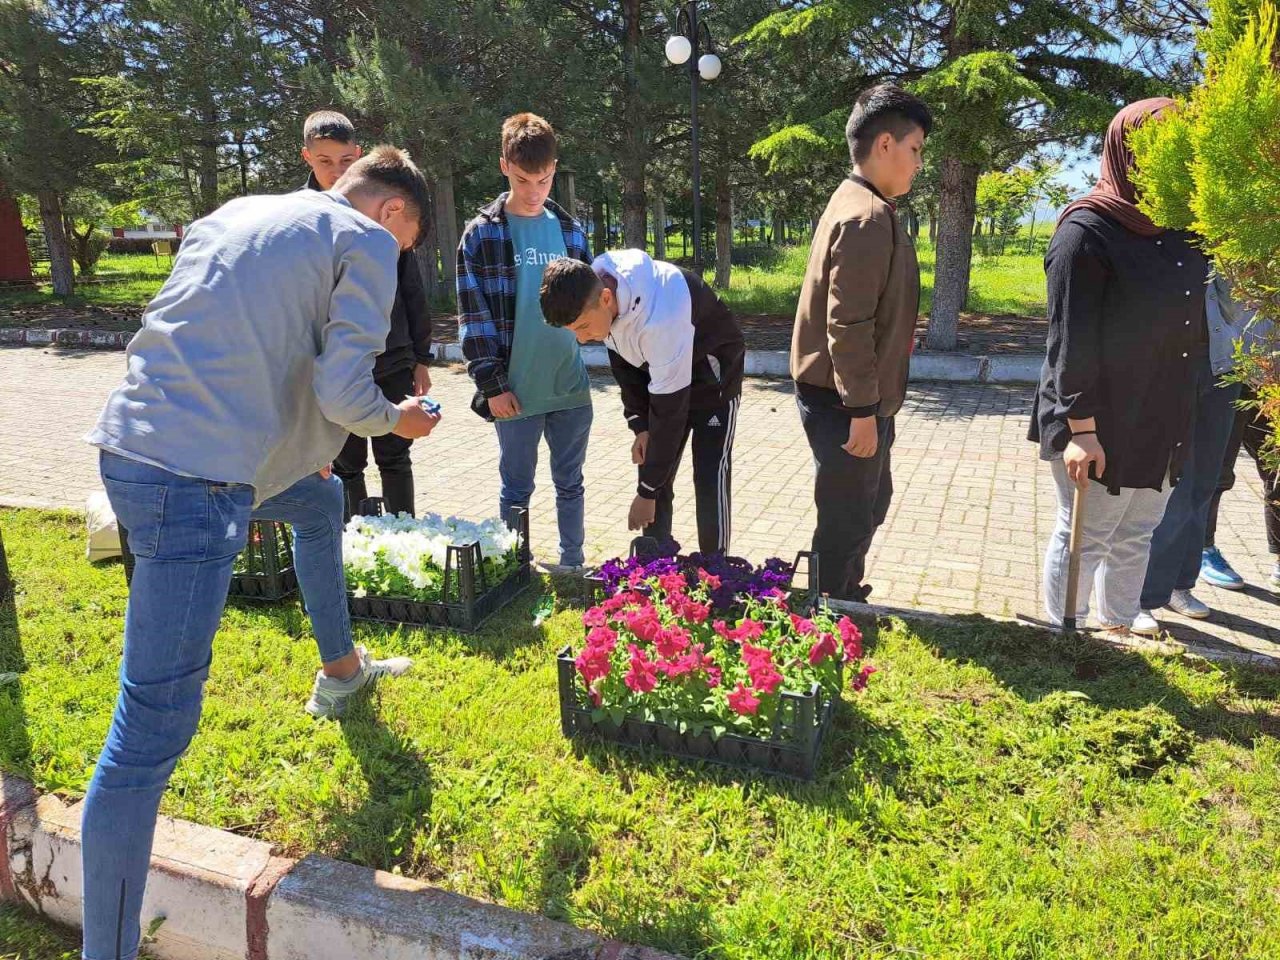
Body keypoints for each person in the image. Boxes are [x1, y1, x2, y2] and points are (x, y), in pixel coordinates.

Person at [80, 146, 440, 960]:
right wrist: (400, 420)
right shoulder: (368, 240)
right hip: (194, 485)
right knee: (145, 740)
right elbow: (345, 392)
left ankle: (341, 671)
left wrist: (296, 448)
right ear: (391, 212)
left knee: (316, 499)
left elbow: (227, 341)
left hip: (130, 454)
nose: (399, 257)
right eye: (408, 243)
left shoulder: (243, 211)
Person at [1030, 98, 1207, 635]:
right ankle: (1066, 637)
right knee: (1087, 534)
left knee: (1137, 532)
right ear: (1128, 151)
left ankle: (1119, 628)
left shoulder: (1181, 228)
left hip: (1161, 411)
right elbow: (1070, 341)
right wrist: (1082, 432)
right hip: (1097, 414)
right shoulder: (1086, 232)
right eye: (1160, 149)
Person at [791, 83, 931, 601]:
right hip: (845, 400)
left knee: (865, 504)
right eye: (915, 148)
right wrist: (863, 411)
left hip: (849, 395)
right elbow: (847, 324)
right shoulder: (866, 216)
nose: (919, 163)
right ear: (885, 144)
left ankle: (841, 595)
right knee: (848, 516)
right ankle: (827, 612)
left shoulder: (860, 202)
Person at [457, 112, 593, 573]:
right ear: (504, 166)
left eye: (544, 180)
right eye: (522, 180)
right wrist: (492, 386)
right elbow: (474, 318)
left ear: (554, 168)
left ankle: (572, 564)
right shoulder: (481, 234)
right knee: (516, 489)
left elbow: (593, 307)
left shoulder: (571, 231)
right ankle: (514, 568)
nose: (535, 192)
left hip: (570, 388)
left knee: (571, 484)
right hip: (513, 391)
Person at [539, 249, 745, 553]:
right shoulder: (598, 290)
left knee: (709, 475)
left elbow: (670, 414)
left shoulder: (661, 316)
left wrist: (646, 492)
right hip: (663, 378)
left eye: (582, 327)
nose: (582, 339)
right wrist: (641, 426)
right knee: (652, 458)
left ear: (606, 298)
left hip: (712, 379)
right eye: (575, 332)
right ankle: (655, 567)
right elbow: (625, 365)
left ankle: (715, 567)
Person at [301, 110, 434, 518]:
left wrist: (421, 357)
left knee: (395, 457)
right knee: (345, 464)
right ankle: (356, 537)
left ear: (358, 156)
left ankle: (404, 534)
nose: (336, 171)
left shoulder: (384, 219)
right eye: (325, 161)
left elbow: (412, 293)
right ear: (307, 157)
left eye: (345, 161)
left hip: (391, 359)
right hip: (332, 367)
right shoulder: (307, 225)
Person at [1199, 277, 1280, 591]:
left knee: (1276, 468)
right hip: (1229, 369)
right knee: (1216, 471)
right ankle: (1201, 548)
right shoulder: (1223, 255)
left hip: (1272, 376)